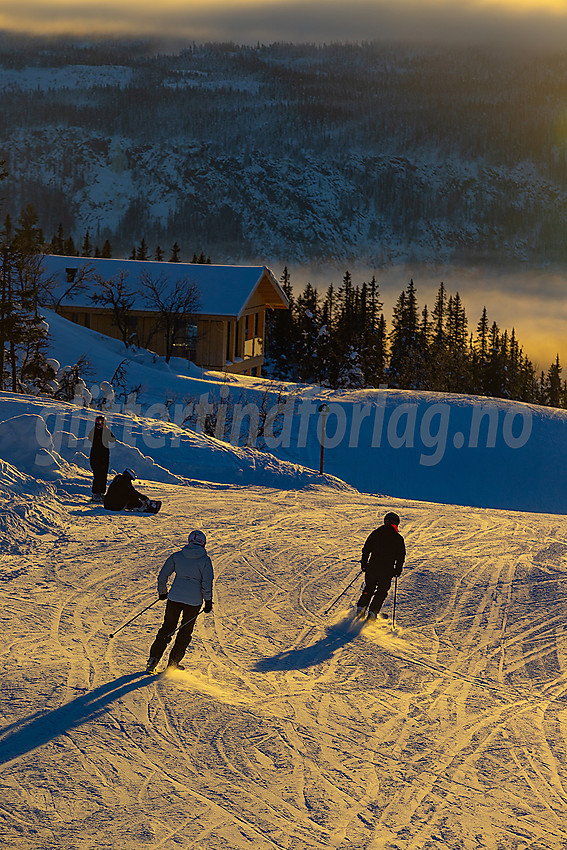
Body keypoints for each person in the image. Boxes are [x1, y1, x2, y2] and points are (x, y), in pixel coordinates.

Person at [146, 529, 214, 673]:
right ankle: (173, 662)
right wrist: (208, 601)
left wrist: (162, 592)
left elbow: (162, 576)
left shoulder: (177, 556)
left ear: (189, 541)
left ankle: (153, 660)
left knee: (167, 627)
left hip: (174, 598)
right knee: (185, 632)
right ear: (203, 543)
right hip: (194, 602)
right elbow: (207, 583)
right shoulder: (205, 560)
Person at [357, 511, 405, 620]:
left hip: (372, 567)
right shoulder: (398, 538)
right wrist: (398, 570)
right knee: (382, 591)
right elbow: (400, 556)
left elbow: (366, 549)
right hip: (386, 570)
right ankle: (372, 613)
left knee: (369, 587)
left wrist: (364, 563)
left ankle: (361, 608)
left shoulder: (376, 533)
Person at [87, 414, 116, 502]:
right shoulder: (94, 431)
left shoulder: (106, 431)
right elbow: (90, 438)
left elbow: (113, 439)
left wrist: (106, 431)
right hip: (95, 456)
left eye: (102, 422)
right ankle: (95, 494)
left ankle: (101, 493)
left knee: (103, 475)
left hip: (104, 457)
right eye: (98, 422)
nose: (100, 424)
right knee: (98, 475)